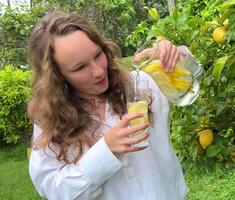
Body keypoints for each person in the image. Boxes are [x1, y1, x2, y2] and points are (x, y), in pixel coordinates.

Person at [27, 11, 188, 200]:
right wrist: (106, 152)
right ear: (57, 77)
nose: (98, 71)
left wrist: (175, 56)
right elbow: (57, 191)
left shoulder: (140, 84)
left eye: (97, 54)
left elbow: (189, 85)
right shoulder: (51, 122)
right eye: (80, 67)